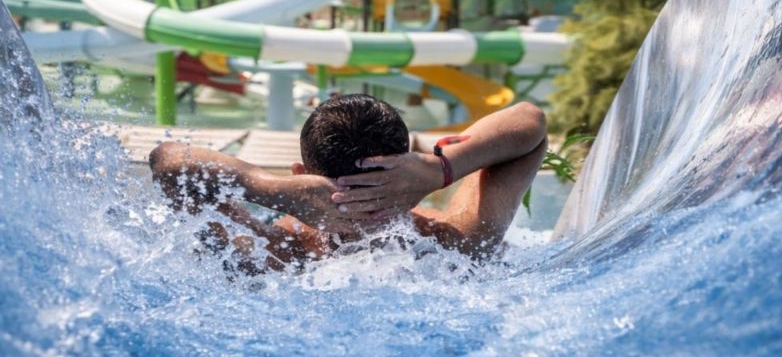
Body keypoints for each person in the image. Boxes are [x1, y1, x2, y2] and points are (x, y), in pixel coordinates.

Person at [148, 94, 547, 273]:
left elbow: (169, 162)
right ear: (408, 176)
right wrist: (441, 168)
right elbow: (530, 122)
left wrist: (269, 189)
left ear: (301, 175)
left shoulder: (273, 257)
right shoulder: (457, 242)